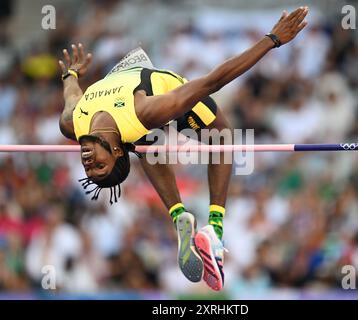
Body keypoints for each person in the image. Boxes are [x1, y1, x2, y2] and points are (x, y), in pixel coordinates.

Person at [58, 6, 309, 291]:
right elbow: (212, 81)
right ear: (115, 154)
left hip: (137, 115)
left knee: (145, 142)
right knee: (223, 138)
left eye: (89, 168)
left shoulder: (72, 124)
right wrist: (272, 39)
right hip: (164, 96)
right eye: (98, 167)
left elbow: (71, 96)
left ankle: (180, 215)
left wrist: (71, 75)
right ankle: (214, 227)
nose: (88, 163)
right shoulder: (147, 110)